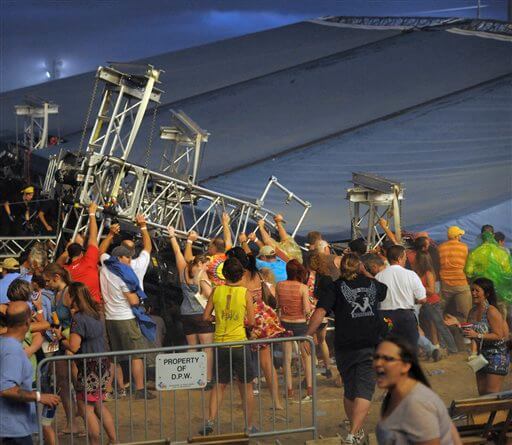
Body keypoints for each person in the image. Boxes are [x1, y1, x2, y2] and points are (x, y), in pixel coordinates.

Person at [307, 253, 387, 444]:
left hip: (345, 345)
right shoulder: (372, 284)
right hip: (369, 341)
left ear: (341, 268)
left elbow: (320, 311)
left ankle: (355, 432)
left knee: (350, 389)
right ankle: (353, 433)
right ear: (360, 266)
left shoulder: (335, 286)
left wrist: (307, 334)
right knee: (365, 389)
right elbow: (383, 290)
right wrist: (366, 273)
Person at [55, 282, 116, 445]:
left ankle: (95, 443)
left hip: (89, 367)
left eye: (68, 294)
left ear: (73, 296)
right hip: (102, 364)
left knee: (86, 408)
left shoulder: (79, 319)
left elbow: (74, 346)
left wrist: (61, 339)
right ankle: (113, 440)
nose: (65, 297)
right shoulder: (95, 313)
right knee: (99, 405)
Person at [201, 257, 256, 435]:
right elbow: (252, 321)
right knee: (246, 385)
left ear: (224, 274)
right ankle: (248, 426)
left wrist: (218, 319)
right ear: (240, 274)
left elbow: (205, 317)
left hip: (221, 342)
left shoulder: (216, 291)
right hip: (239, 341)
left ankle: (210, 421)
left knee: (220, 384)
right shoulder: (245, 292)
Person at [374, 335, 461, 445]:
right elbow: (452, 433)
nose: (378, 364)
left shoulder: (416, 404)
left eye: (388, 359)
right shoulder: (397, 397)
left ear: (406, 366)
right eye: (376, 357)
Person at [229, 240, 285, 410]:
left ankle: (246, 401)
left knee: (243, 363)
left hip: (245, 320)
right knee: (267, 363)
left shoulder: (238, 278)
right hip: (263, 319)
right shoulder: (258, 274)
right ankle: (277, 401)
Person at [0, 301, 61, 445]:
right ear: (27, 322)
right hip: (12, 430)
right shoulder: (12, 351)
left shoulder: (4, 343)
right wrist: (40, 396)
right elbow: (6, 389)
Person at [99, 245, 155, 399]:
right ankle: (140, 389)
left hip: (110, 318)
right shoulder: (121, 275)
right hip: (125, 317)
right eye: (127, 257)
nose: (130, 260)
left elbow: (101, 252)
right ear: (119, 258)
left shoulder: (105, 268)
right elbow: (132, 300)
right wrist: (138, 297)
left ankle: (108, 390)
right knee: (136, 355)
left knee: (114, 356)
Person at [167, 226, 214, 388]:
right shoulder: (202, 275)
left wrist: (172, 236)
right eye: (206, 264)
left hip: (185, 313)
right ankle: (207, 380)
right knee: (207, 349)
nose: (208, 267)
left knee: (192, 347)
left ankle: (193, 379)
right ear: (200, 263)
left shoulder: (183, 270)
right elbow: (209, 295)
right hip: (201, 314)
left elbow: (177, 253)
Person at [42, 263, 79, 434]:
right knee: (62, 384)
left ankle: (81, 423)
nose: (46, 284)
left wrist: (70, 342)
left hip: (71, 344)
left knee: (77, 385)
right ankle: (72, 423)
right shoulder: (57, 294)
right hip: (62, 343)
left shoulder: (69, 293)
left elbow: (77, 318)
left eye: (48, 280)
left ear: (57, 277)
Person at [461, 278, 509, 395]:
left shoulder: (492, 311)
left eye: (477, 291)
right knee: (482, 394)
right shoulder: (472, 312)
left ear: (487, 294)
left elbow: (499, 335)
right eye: (472, 290)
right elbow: (470, 334)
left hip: (497, 355)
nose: (473, 293)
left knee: (491, 393)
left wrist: (477, 334)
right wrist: (458, 325)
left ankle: (497, 414)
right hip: (480, 355)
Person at [275, 259, 313, 400]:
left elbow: (278, 305)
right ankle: (309, 390)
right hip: (301, 324)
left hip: (285, 323)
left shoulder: (279, 285)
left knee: (287, 358)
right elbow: (307, 309)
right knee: (307, 358)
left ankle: (289, 390)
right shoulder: (303, 287)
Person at [375, 245, 426, 348]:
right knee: (410, 346)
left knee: (390, 346)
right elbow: (422, 299)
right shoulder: (410, 274)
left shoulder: (378, 276)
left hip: (386, 317)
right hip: (405, 315)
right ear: (399, 258)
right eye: (404, 257)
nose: (406, 259)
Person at [414, 251, 458, 357]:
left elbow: (432, 290)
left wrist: (418, 287)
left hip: (433, 303)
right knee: (431, 326)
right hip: (425, 304)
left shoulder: (428, 273)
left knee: (441, 326)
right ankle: (442, 348)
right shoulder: (419, 273)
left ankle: (452, 348)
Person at [57, 203, 103, 303]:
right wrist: (91, 214)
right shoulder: (89, 260)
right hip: (95, 306)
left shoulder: (66, 270)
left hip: (78, 308)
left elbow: (56, 265)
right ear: (81, 253)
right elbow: (93, 236)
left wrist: (66, 251)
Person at [185, 212, 232, 287]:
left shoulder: (209, 261)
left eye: (209, 246)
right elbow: (228, 239)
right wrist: (225, 223)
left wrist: (190, 240)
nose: (208, 248)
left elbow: (188, 259)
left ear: (214, 247)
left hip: (213, 293)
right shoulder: (229, 256)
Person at [306, 252, 334, 378]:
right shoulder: (326, 277)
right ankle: (328, 367)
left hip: (311, 312)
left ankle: (310, 372)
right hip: (323, 311)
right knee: (322, 341)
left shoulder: (306, 277)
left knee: (309, 342)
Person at [438, 226, 472, 321]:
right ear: (457, 236)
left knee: (439, 310)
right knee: (467, 314)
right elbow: (468, 266)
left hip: (445, 285)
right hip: (461, 283)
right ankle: (465, 331)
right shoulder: (464, 247)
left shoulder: (440, 247)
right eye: (460, 235)